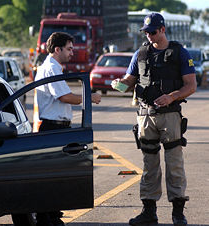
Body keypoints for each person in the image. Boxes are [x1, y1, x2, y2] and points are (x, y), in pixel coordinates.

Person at [111, 13, 196, 226]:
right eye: (146, 32)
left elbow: (191, 85)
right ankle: (149, 212)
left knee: (174, 164)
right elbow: (129, 82)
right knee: (149, 164)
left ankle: (178, 213)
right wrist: (118, 84)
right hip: (146, 116)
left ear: (163, 29)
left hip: (170, 116)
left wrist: (172, 96)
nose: (149, 35)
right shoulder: (140, 54)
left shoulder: (179, 52)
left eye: (153, 31)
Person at [34, 32, 101, 226]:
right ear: (57, 49)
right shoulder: (51, 68)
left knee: (57, 175)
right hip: (52, 128)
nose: (72, 53)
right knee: (51, 176)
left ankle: (52, 215)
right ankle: (47, 218)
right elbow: (64, 97)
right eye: (69, 48)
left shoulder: (53, 67)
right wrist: (90, 97)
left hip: (58, 127)